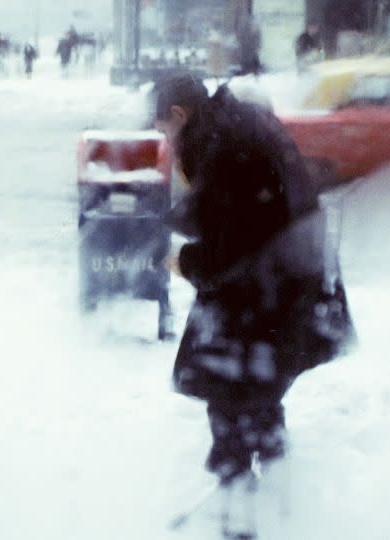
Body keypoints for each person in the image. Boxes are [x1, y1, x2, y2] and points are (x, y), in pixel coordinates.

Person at [152, 73, 355, 486]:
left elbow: (232, 242)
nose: (168, 143)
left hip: (274, 278)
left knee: (223, 374)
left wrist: (186, 261)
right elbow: (233, 206)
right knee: (257, 373)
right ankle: (272, 461)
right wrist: (181, 217)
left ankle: (236, 492)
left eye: (165, 131)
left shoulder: (219, 144)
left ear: (178, 114)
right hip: (295, 269)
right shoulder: (232, 123)